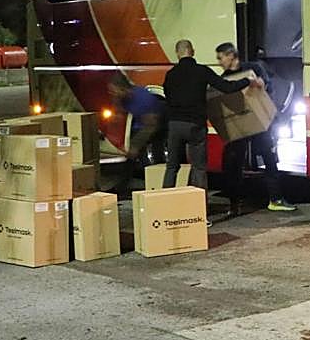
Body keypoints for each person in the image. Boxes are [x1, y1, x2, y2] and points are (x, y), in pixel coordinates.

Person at [214, 42, 296, 214]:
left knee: (269, 159)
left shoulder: (253, 69)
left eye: (221, 58)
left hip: (260, 123)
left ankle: (275, 199)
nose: (219, 62)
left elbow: (266, 86)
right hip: (240, 125)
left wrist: (260, 83)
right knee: (234, 164)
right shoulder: (224, 79)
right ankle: (235, 204)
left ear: (231, 56)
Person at [161, 39, 248, 190]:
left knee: (172, 166)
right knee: (199, 167)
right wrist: (247, 80)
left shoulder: (170, 74)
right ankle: (200, 201)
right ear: (192, 51)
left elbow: (167, 96)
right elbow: (227, 88)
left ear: (177, 54)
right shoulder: (202, 71)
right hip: (195, 124)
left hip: (175, 124)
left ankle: (165, 200)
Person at [108, 77, 165, 162]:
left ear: (124, 89)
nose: (112, 94)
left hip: (157, 125)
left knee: (155, 151)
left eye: (114, 91)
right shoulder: (122, 98)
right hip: (140, 123)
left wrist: (134, 146)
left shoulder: (143, 100)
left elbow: (150, 127)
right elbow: (118, 119)